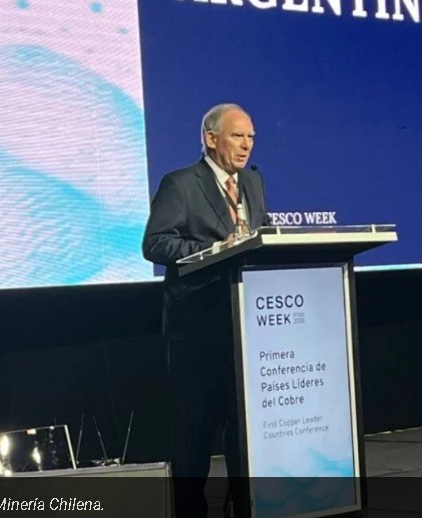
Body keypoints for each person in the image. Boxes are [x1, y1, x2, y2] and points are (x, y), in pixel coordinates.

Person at [142, 103, 269, 518]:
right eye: (237, 136)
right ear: (211, 139)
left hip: (243, 326)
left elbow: (259, 236)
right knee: (194, 434)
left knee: (243, 430)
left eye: (251, 137)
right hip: (196, 329)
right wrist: (214, 249)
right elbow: (156, 243)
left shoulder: (253, 181)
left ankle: (245, 506)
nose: (246, 145)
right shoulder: (180, 184)